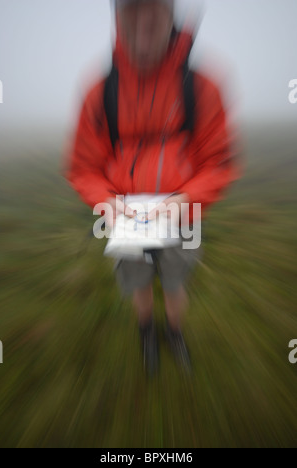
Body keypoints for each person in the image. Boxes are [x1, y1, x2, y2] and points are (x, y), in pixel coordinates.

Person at [65, 0, 240, 376]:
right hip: (125, 219)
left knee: (176, 282)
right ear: (116, 16)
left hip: (185, 218)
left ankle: (174, 333)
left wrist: (184, 202)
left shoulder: (202, 85)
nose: (142, 24)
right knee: (138, 282)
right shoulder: (99, 91)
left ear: (171, 15)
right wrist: (106, 204)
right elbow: (84, 167)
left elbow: (218, 161)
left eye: (154, 11)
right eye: (131, 10)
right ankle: (147, 333)